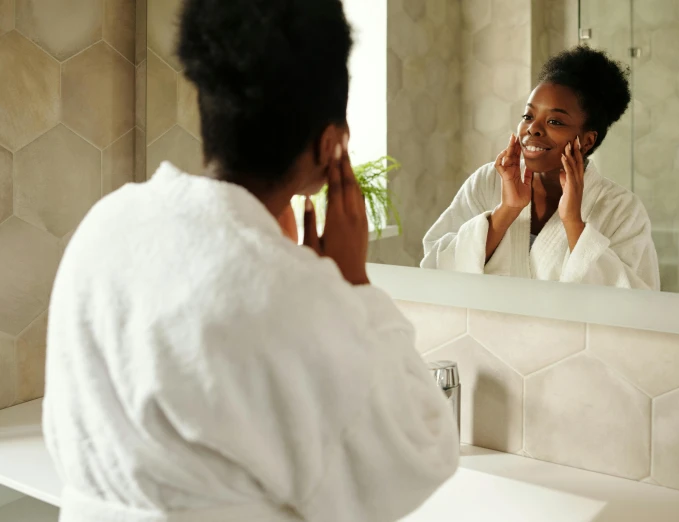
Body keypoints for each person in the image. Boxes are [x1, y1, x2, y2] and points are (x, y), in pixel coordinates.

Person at [42, 1, 459, 521]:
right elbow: (422, 452)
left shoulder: (107, 224)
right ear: (331, 143)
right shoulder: (291, 296)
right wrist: (353, 284)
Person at [421, 46, 660, 290]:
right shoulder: (488, 181)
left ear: (587, 141)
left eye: (555, 121)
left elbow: (636, 300)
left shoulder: (621, 209)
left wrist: (573, 222)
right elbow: (436, 265)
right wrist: (506, 211)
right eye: (528, 116)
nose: (533, 128)